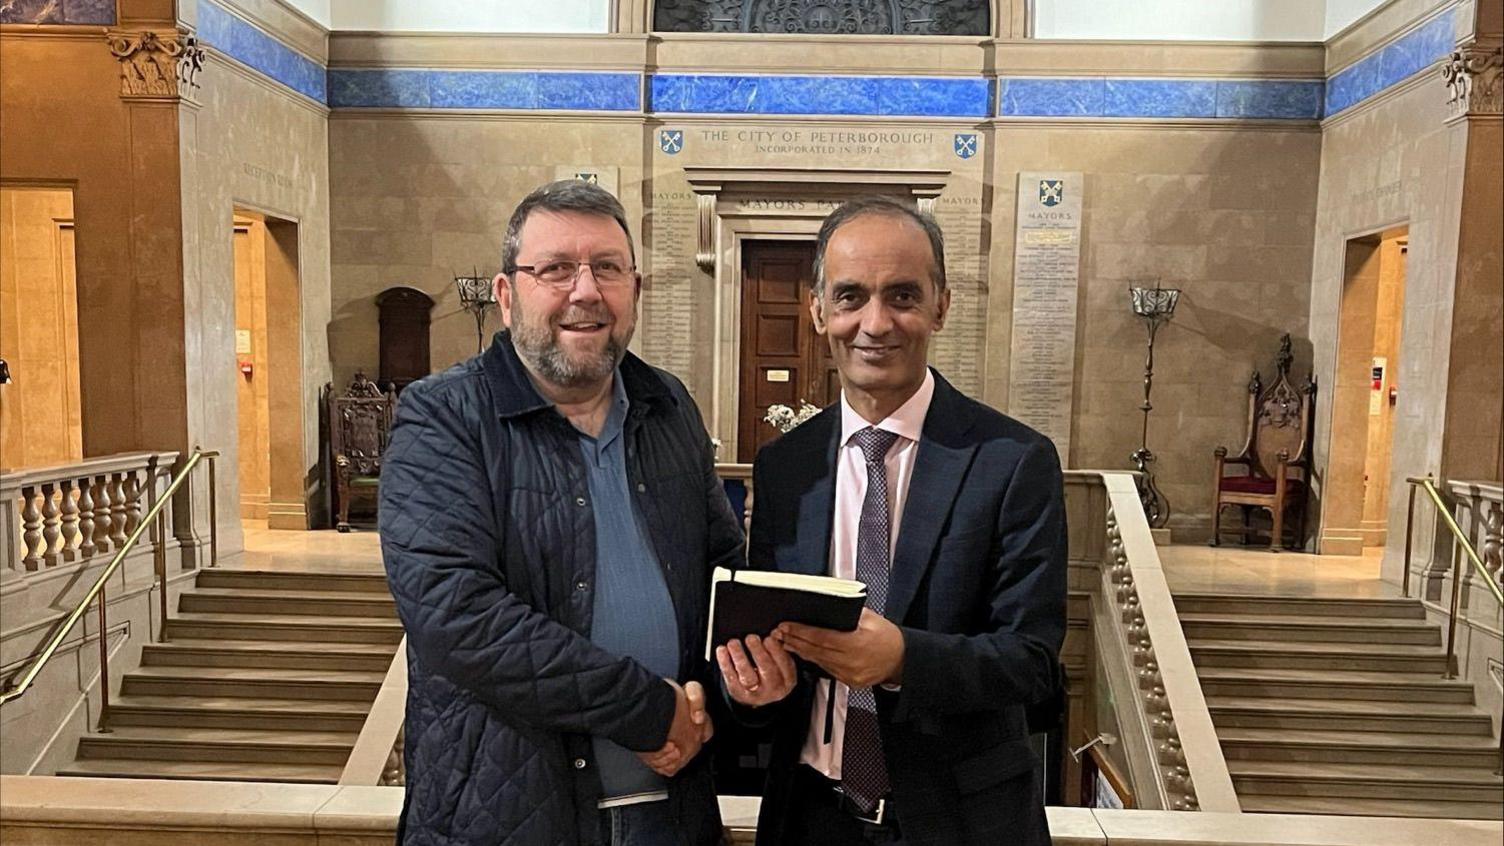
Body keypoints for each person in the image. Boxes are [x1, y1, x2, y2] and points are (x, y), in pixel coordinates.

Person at [380, 180, 743, 845]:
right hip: (509, 823)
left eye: (607, 268)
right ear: (506, 292)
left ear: (634, 287)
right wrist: (648, 708)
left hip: (672, 817)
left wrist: (728, 692)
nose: (585, 291)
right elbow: (456, 615)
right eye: (555, 269)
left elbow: (723, 578)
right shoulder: (443, 418)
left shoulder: (669, 406)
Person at [717, 197, 1066, 846]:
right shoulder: (786, 466)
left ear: (941, 305)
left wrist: (903, 658)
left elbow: (1033, 663)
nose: (875, 323)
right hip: (811, 818)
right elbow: (772, 642)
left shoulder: (1014, 462)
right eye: (850, 297)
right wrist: (753, 690)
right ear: (819, 310)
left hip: (961, 823)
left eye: (902, 295)